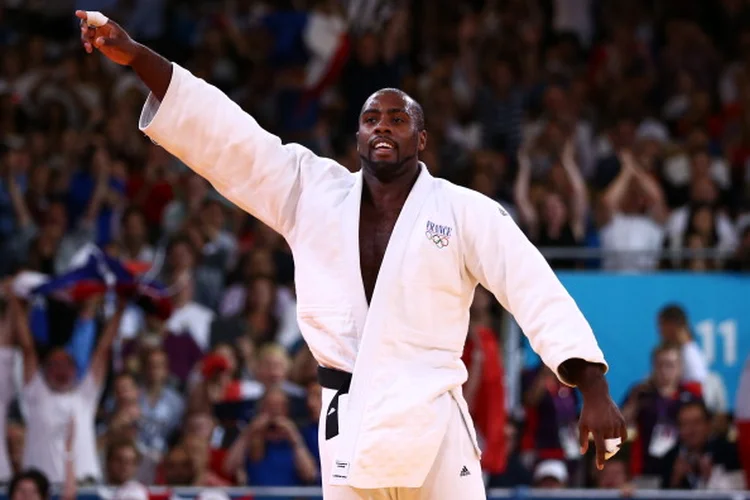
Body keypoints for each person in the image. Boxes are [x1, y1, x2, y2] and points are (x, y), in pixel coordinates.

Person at [75, 11, 626, 500]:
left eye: (397, 119)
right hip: (348, 420)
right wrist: (139, 58)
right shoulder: (312, 193)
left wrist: (593, 387)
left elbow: (531, 286)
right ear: (358, 136)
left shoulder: (463, 211)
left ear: (422, 139)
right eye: (370, 119)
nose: (382, 126)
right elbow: (231, 140)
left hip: (432, 415)